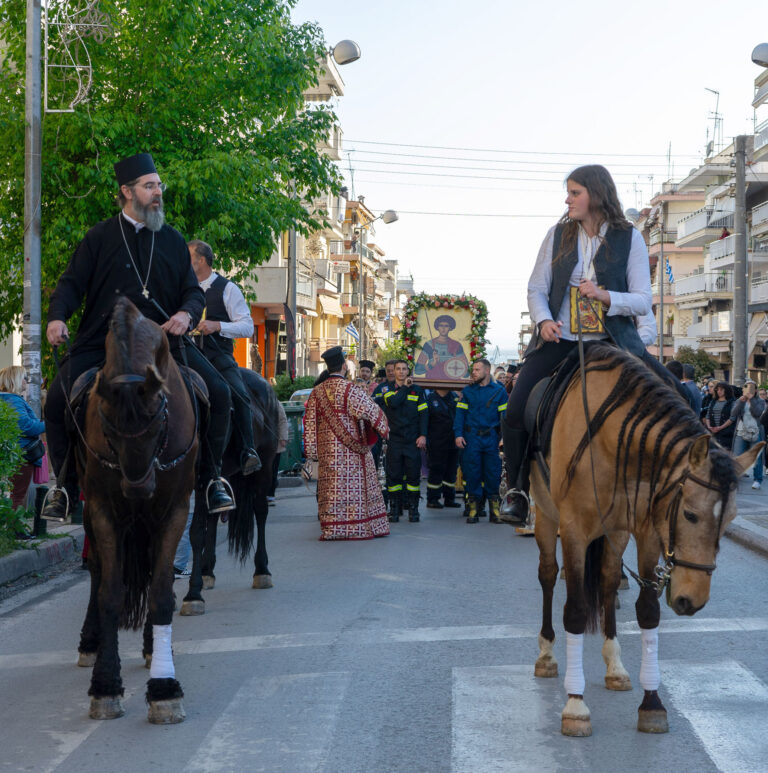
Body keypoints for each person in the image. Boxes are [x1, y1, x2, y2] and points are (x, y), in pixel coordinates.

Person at [42, 151, 234, 521]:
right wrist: (56, 318)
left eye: (159, 185)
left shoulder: (174, 240)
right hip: (103, 340)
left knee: (221, 394)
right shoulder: (99, 237)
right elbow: (69, 285)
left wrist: (185, 314)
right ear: (127, 191)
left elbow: (193, 293)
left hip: (164, 344)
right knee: (55, 402)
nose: (158, 192)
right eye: (150, 186)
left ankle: (212, 480)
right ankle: (63, 487)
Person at [502, 164, 653, 523]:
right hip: (560, 340)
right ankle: (518, 491)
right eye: (568, 192)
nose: (567, 199)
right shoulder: (557, 234)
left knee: (671, 391)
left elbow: (643, 300)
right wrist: (543, 321)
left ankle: (663, 487)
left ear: (596, 194)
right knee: (515, 409)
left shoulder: (630, 237)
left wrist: (604, 295)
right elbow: (537, 288)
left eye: (574, 193)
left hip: (612, 341)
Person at [189, 239, 261, 475]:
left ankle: (247, 450)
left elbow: (247, 327)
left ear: (201, 260)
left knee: (239, 394)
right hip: (186, 354)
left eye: (188, 257)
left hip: (216, 356)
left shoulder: (227, 288)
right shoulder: (184, 287)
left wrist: (218, 325)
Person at [303, 346, 390, 540]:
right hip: (353, 451)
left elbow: (309, 424)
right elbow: (373, 413)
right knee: (355, 486)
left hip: (327, 452)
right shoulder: (351, 389)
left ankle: (333, 528)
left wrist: (311, 453)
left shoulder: (316, 392)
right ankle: (357, 525)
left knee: (331, 489)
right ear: (344, 366)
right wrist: (383, 429)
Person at [454, 359, 508, 524]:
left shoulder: (499, 391)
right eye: (473, 370)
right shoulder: (468, 391)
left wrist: (504, 437)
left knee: (493, 473)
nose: (474, 372)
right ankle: (473, 509)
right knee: (472, 473)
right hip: (471, 439)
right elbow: (460, 415)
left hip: (492, 438)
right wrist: (458, 434)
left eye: (477, 370)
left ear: (487, 371)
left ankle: (495, 510)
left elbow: (504, 418)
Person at [382, 360, 428, 522]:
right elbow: (393, 403)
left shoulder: (418, 391)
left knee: (413, 476)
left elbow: (424, 415)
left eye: (404, 369)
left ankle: (413, 510)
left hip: (412, 440)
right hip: (395, 440)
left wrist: (423, 435)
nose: (401, 372)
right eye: (398, 369)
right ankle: (394, 510)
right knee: (394, 477)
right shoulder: (387, 389)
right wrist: (405, 387)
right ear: (393, 372)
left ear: (408, 371)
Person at [0, 366, 46, 516]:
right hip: (23, 454)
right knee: (17, 495)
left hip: (13, 452)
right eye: (24, 378)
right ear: (15, 380)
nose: (26, 381)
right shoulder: (14, 400)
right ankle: (15, 530)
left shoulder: (5, 399)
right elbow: (26, 427)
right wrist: (47, 424)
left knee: (14, 494)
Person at [425, 388, 461, 509]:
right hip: (436, 441)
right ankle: (432, 499)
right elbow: (425, 420)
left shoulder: (455, 397)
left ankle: (449, 498)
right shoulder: (430, 398)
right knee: (436, 469)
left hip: (453, 440)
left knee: (451, 470)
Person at [732, 380, 765, 489]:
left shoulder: (760, 401)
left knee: (757, 456)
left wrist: (751, 399)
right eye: (746, 386)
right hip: (741, 431)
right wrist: (742, 402)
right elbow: (733, 413)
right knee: (737, 456)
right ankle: (735, 478)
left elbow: (757, 413)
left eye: (751, 387)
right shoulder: (740, 400)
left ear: (755, 390)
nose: (748, 389)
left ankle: (757, 479)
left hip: (755, 431)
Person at [414, 315, 470, 379]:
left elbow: (466, 373)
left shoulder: (456, 345)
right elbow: (418, 370)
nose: (443, 328)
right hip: (431, 383)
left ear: (450, 328)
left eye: (446, 326)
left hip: (452, 384)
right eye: (441, 325)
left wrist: (455, 365)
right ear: (437, 327)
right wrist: (432, 364)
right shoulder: (429, 345)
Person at [267, 401, 289, 505]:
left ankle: (270, 494)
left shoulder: (275, 403)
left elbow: (282, 420)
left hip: (274, 443)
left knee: (273, 470)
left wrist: (283, 437)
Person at [704, 382, 736, 450]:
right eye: (717, 390)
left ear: (726, 390)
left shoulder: (732, 402)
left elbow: (732, 418)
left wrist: (720, 427)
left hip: (726, 434)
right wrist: (709, 427)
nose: (719, 391)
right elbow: (708, 416)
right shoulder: (713, 401)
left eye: (721, 390)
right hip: (713, 432)